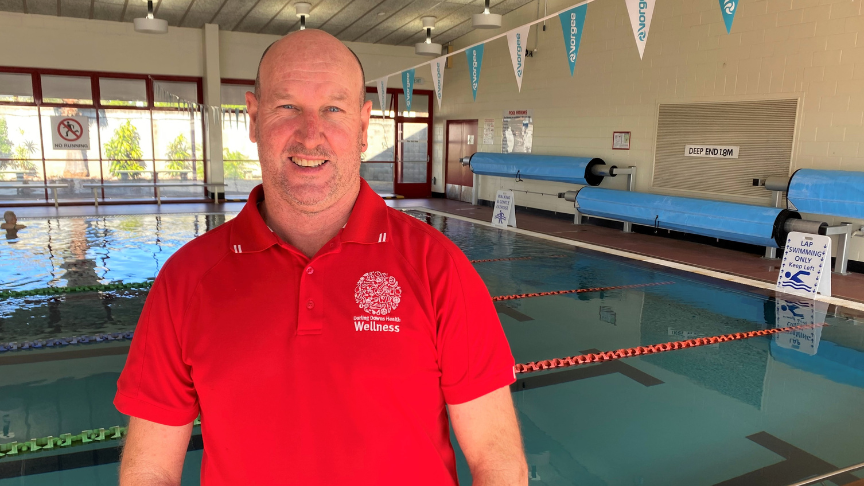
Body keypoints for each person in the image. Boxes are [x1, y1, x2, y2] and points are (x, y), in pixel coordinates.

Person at [115, 29, 527, 486]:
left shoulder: (437, 266)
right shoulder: (187, 279)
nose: (311, 135)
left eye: (333, 108)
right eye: (287, 107)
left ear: (364, 125)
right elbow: (150, 469)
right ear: (253, 119)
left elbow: (495, 457)